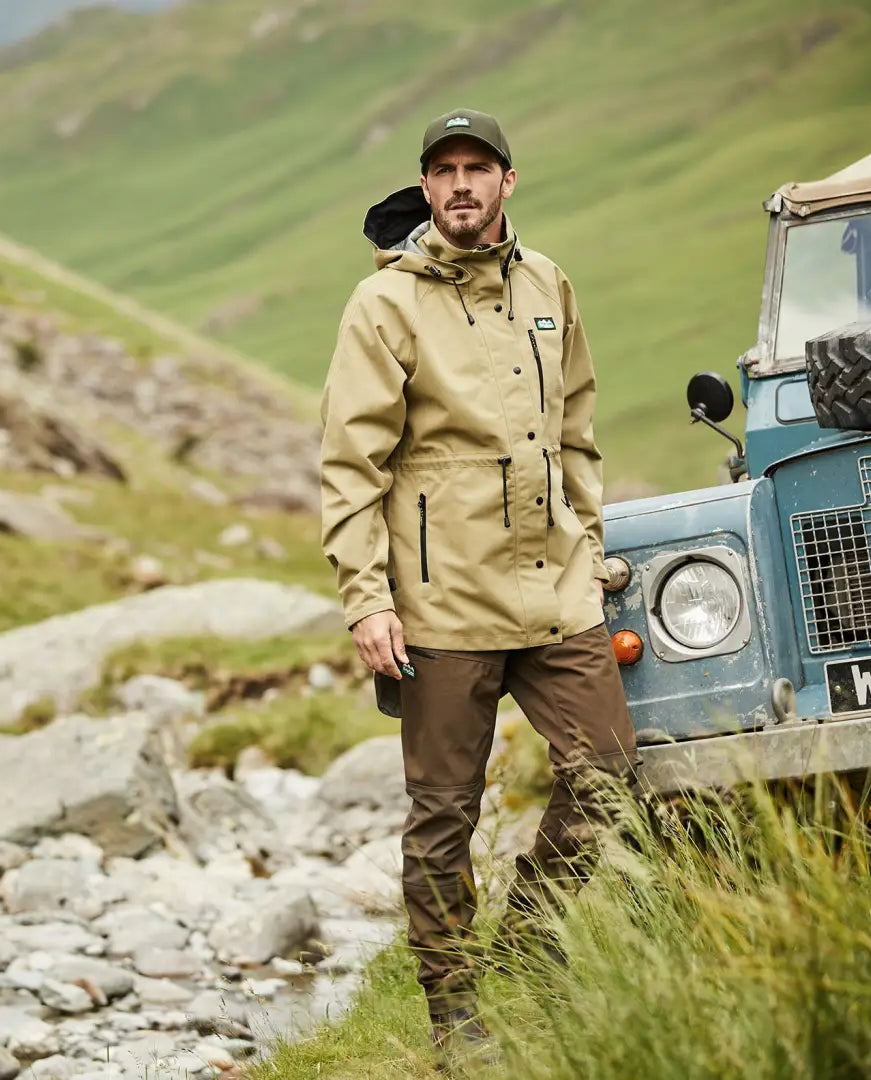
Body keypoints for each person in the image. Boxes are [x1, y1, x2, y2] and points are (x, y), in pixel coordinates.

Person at [319, 108, 639, 1067]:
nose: (461, 185)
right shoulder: (384, 307)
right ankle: (455, 1012)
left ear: (509, 181)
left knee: (611, 779)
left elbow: (573, 426)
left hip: (555, 594)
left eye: (478, 168)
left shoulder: (550, 285)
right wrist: (368, 599)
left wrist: (589, 534)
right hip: (442, 603)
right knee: (445, 812)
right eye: (444, 171)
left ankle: (532, 951)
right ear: (426, 188)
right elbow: (350, 464)